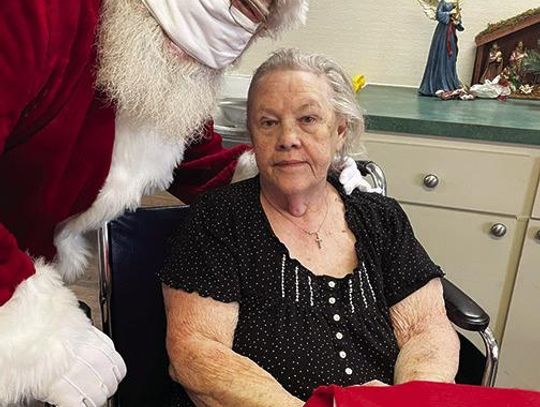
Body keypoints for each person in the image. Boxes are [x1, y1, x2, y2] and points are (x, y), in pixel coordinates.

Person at [0, 1, 313, 405]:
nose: (236, 22)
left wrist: (296, 177)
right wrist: (33, 331)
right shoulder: (37, 15)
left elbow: (195, 159)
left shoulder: (158, 63)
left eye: (256, 14)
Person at [160, 48, 460, 407]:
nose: (288, 138)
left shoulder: (381, 218)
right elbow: (196, 355)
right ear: (252, 137)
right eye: (268, 122)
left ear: (339, 131)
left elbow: (427, 330)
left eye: (308, 119)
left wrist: (407, 401)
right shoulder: (219, 220)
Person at [418, 0, 464, 96]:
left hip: (451, 33)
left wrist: (457, 21)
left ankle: (450, 83)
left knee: (450, 57)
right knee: (441, 55)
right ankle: (437, 84)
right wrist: (450, 13)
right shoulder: (443, 2)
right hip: (443, 33)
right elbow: (439, 15)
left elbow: (458, 18)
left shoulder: (455, 2)